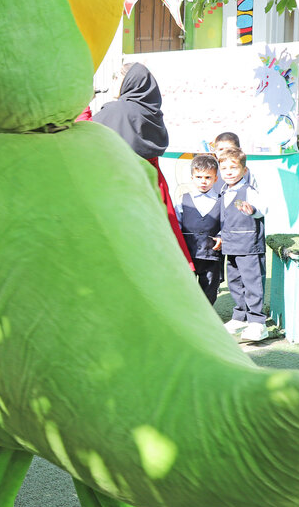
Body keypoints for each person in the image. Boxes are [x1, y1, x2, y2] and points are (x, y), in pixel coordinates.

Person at [92, 63, 193, 268]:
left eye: (116, 77)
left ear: (128, 81)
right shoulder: (152, 111)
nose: (113, 82)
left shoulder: (117, 110)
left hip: (123, 184)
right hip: (152, 184)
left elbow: (85, 135)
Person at [218, 148, 268, 342]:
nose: (229, 172)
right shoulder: (224, 191)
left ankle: (257, 322)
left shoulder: (249, 190)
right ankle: (240, 317)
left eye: (233, 167)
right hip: (231, 246)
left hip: (249, 246)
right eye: (224, 168)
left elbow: (262, 209)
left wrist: (252, 209)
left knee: (252, 282)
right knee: (235, 282)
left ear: (244, 170)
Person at [177, 154, 224, 304]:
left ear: (215, 178)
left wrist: (222, 236)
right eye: (199, 177)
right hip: (187, 254)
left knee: (209, 290)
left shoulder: (222, 200)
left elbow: (226, 224)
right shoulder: (182, 199)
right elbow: (177, 224)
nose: (203, 181)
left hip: (211, 255)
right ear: (192, 177)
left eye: (208, 177)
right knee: (185, 289)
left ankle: (207, 316)